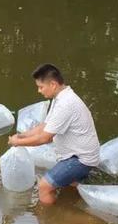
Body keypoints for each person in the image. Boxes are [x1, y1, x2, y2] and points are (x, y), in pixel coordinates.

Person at [7, 64, 100, 205]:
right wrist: (22, 136)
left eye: (41, 87)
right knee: (69, 185)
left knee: (44, 186)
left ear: (53, 84)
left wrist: (16, 143)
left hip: (80, 159)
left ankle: (49, 220)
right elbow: (44, 126)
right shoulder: (60, 98)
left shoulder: (66, 104)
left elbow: (45, 138)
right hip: (79, 154)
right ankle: (74, 201)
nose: (39, 91)